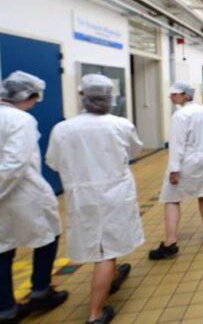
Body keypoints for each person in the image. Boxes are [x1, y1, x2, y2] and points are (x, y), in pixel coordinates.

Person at [46, 74, 145, 324]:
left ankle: (112, 277)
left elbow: (53, 162)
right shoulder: (120, 125)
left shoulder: (63, 129)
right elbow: (135, 151)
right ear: (110, 98)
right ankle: (95, 314)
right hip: (115, 193)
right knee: (106, 250)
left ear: (82, 96)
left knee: (101, 244)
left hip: (82, 196)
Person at [0, 71, 68, 324]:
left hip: (9, 196)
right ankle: (40, 291)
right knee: (48, 235)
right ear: (28, 95)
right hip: (23, 192)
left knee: (3, 248)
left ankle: (5, 308)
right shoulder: (21, 119)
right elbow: (14, 163)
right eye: (35, 98)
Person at [149, 81, 203, 260]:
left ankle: (170, 243)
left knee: (171, 198)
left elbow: (177, 145)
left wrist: (174, 169)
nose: (170, 97)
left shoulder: (180, 115)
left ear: (185, 95)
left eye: (174, 94)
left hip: (188, 160)